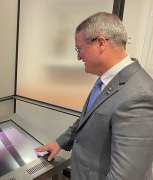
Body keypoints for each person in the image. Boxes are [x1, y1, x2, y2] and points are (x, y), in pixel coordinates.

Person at [35, 12, 153, 180]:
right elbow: (89, 119)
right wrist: (60, 142)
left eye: (79, 48)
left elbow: (127, 176)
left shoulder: (139, 96)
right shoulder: (108, 80)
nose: (78, 56)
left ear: (100, 43)